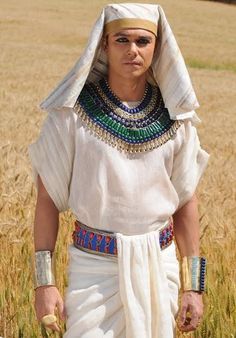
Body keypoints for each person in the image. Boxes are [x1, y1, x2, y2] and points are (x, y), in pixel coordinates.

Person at [29, 3, 209, 338]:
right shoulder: (70, 114)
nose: (133, 50)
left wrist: (193, 287)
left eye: (143, 41)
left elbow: (186, 203)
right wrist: (45, 283)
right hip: (93, 273)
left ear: (157, 47)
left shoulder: (178, 119)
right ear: (104, 44)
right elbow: (47, 200)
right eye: (122, 40)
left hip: (160, 267)